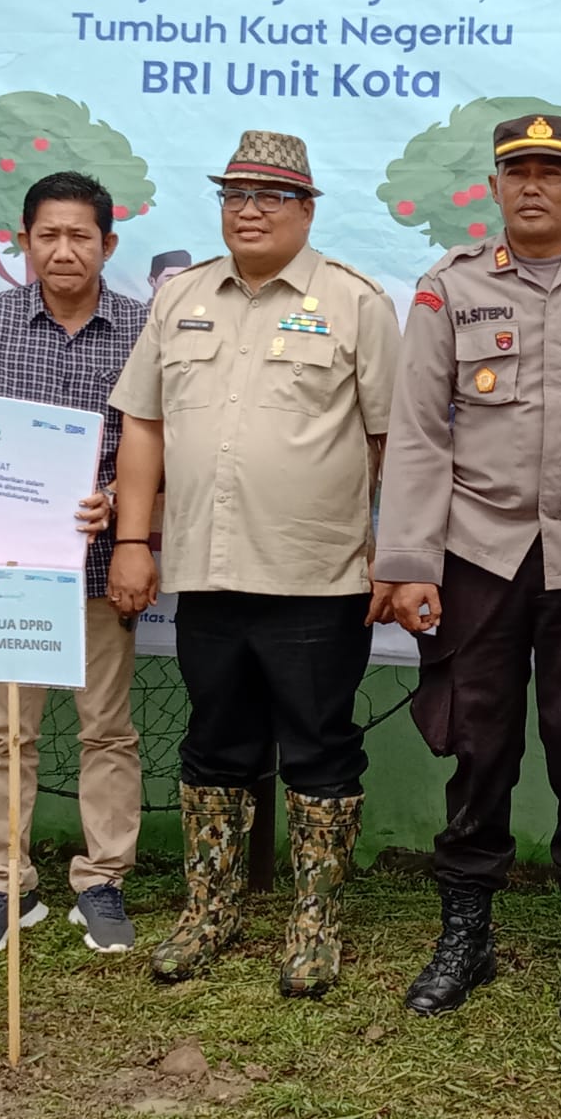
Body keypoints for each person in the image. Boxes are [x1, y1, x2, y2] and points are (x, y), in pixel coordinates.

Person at [375, 113, 561, 1033]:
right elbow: (420, 433)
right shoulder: (449, 289)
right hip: (479, 555)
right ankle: (467, 932)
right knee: (480, 748)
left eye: (555, 171)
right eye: (519, 172)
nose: (536, 186)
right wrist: (410, 561)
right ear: (495, 188)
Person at [107, 130, 398, 998]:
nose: (251, 208)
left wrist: (398, 553)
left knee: (319, 748)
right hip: (207, 572)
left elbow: (396, 441)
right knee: (213, 745)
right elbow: (145, 426)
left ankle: (315, 924)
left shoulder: (355, 304)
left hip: (316, 577)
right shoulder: (182, 297)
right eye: (235, 193)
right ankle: (211, 909)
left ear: (307, 209)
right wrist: (131, 538)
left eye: (272, 195)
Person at [0, 171, 140, 959]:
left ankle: (101, 881)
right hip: (4, 572)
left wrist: (117, 499)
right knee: (5, 735)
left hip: (98, 569)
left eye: (81, 235)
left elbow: (155, 441)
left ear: (107, 244)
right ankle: (4, 886)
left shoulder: (141, 328)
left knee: (108, 730)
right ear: (23, 242)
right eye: (48, 235)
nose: (65, 250)